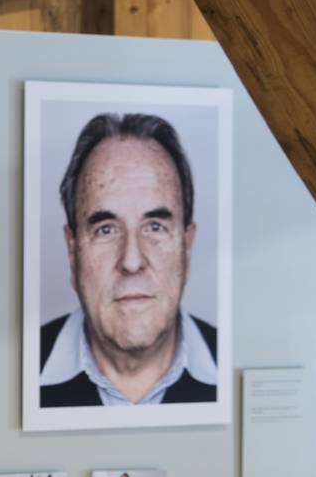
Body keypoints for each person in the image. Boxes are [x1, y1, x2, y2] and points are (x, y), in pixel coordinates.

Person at [38, 113, 217, 407]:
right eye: (106, 229)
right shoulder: (16, 367)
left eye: (155, 227)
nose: (132, 261)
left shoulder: (233, 360)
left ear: (186, 247)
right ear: (73, 252)